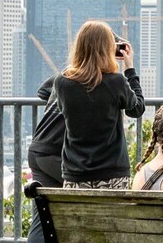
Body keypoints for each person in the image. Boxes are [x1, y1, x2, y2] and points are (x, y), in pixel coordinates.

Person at [53, 21, 146, 189]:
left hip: (75, 174)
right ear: (108, 49)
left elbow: (63, 110)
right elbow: (137, 109)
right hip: (112, 174)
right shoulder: (116, 82)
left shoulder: (62, 83)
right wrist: (130, 69)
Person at [26, 64, 66, 242]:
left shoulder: (67, 74)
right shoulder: (94, 80)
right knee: (88, 194)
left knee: (41, 216)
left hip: (38, 148)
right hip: (55, 153)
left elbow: (42, 91)